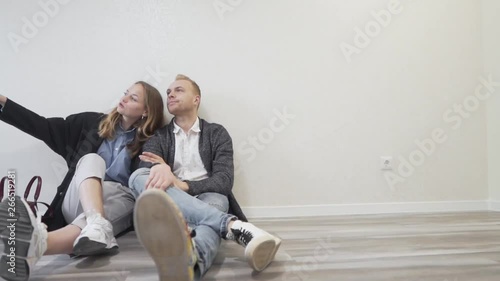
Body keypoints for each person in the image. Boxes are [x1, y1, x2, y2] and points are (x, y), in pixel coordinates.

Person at [0, 81, 164, 281]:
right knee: (92, 160)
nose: (123, 99)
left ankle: (35, 247)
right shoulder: (91, 124)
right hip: (78, 198)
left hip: (118, 203)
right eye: (125, 93)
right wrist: (3, 103)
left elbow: (150, 182)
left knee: (116, 202)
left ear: (146, 111)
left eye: (133, 98)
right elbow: (42, 126)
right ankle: (96, 222)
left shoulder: (154, 141)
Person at [129, 74, 281, 281]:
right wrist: (161, 168)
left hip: (208, 196)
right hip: (169, 197)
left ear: (196, 99)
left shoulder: (217, 133)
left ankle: (190, 263)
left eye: (179, 90)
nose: (171, 94)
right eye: (168, 92)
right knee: (137, 176)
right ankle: (235, 227)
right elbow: (146, 167)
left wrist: (182, 185)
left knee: (218, 201)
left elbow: (224, 181)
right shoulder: (159, 135)